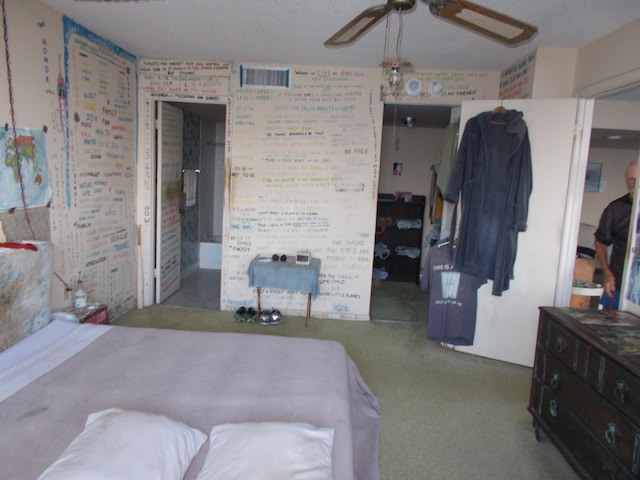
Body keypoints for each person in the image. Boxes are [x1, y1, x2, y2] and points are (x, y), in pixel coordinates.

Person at [594, 161, 638, 309]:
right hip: (619, 284)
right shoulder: (616, 208)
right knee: (610, 326)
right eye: (631, 179)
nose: (635, 184)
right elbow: (600, 242)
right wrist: (606, 272)